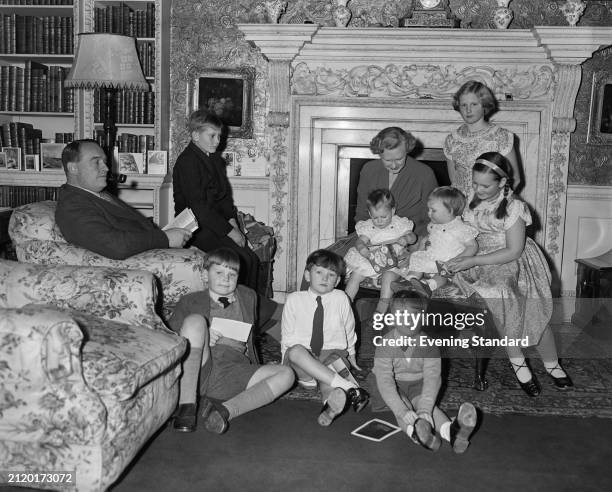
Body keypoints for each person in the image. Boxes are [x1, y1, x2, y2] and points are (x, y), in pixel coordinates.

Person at [444, 152, 573, 397]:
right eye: (474, 183)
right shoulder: (471, 198)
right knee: (493, 300)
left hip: (512, 261)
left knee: (529, 311)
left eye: (485, 185)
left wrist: (472, 259)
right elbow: (459, 230)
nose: (477, 189)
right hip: (478, 258)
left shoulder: (514, 207)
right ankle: (518, 362)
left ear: (502, 183)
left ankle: (552, 364)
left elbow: (513, 251)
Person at [169, 248, 294, 433]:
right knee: (195, 322)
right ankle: (186, 406)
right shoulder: (190, 301)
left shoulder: (247, 296)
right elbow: (169, 339)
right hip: (199, 366)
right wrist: (203, 335)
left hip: (233, 372)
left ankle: (224, 411)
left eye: (232, 274)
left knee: (287, 374)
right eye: (219, 272)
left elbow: (281, 312)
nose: (225, 279)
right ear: (205, 275)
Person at [372, 290, 478, 453]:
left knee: (424, 404)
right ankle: (416, 432)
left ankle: (452, 432)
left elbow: (432, 378)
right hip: (391, 385)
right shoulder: (385, 344)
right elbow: (385, 381)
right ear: (391, 318)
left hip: (418, 383)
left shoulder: (429, 345)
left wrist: (425, 409)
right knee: (403, 407)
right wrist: (402, 410)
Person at [172, 110, 261, 294]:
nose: (217, 141)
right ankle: (235, 308)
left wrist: (233, 223)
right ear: (196, 135)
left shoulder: (214, 160)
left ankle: (249, 309)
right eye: (212, 135)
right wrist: (229, 232)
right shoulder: (187, 162)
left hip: (215, 223)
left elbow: (224, 198)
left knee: (251, 258)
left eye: (219, 136)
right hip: (195, 227)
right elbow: (199, 208)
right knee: (239, 259)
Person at [56, 139, 191, 260]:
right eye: (96, 162)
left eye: (105, 161)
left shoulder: (97, 194)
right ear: (73, 168)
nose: (106, 168)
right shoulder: (71, 205)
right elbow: (115, 245)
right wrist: (165, 238)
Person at [282, 249, 369, 426]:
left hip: (332, 353)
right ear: (307, 275)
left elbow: (349, 326)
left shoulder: (341, 298)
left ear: (337, 281)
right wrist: (284, 363)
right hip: (303, 363)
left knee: (329, 384)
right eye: (319, 272)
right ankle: (352, 388)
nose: (325, 278)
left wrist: (351, 354)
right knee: (296, 351)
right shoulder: (294, 299)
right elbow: (287, 334)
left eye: (331, 275)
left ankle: (329, 409)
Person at [356, 127, 438, 239]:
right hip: (373, 237)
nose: (394, 165)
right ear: (379, 154)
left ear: (407, 150)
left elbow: (432, 217)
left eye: (399, 159)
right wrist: (364, 239)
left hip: (413, 238)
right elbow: (362, 213)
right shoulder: (368, 170)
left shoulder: (425, 173)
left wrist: (418, 241)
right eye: (388, 160)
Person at [344, 188, 417, 314]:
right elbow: (360, 241)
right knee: (356, 275)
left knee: (388, 278)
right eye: (375, 217)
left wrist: (406, 238)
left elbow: (413, 237)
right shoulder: (369, 226)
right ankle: (344, 303)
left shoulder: (400, 224)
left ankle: (381, 308)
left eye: (384, 217)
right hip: (373, 259)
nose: (379, 221)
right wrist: (362, 249)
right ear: (370, 214)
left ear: (393, 210)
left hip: (393, 261)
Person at [444, 80, 521, 198]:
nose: (468, 110)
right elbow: (454, 179)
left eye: (474, 104)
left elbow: (515, 178)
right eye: (464, 105)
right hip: (461, 206)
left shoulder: (501, 136)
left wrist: (495, 205)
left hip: (490, 207)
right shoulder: (452, 139)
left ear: (484, 105)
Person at [401, 186, 478, 292]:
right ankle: (409, 281)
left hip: (449, 262)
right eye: (429, 209)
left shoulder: (461, 227)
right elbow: (433, 240)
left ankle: (428, 286)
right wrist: (424, 243)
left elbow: (472, 246)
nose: (429, 213)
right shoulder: (435, 225)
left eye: (433, 210)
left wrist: (458, 260)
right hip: (433, 257)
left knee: (442, 274)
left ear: (449, 211)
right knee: (417, 258)